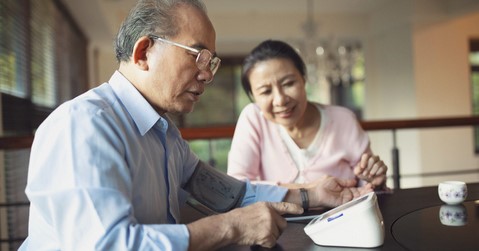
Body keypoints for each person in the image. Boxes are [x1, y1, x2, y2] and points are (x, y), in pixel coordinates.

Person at [19, 1, 373, 251]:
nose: (207, 75)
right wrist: (232, 226)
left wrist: (311, 194)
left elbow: (229, 194)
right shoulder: (84, 125)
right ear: (143, 52)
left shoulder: (165, 135)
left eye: (213, 62)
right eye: (198, 56)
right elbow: (110, 246)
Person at [228, 39, 388, 190]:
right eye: (265, 91)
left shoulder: (343, 119)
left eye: (289, 83)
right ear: (253, 96)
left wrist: (374, 181)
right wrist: (309, 191)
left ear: (303, 79)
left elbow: (366, 184)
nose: (280, 100)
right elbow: (238, 187)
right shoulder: (254, 119)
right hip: (281, 219)